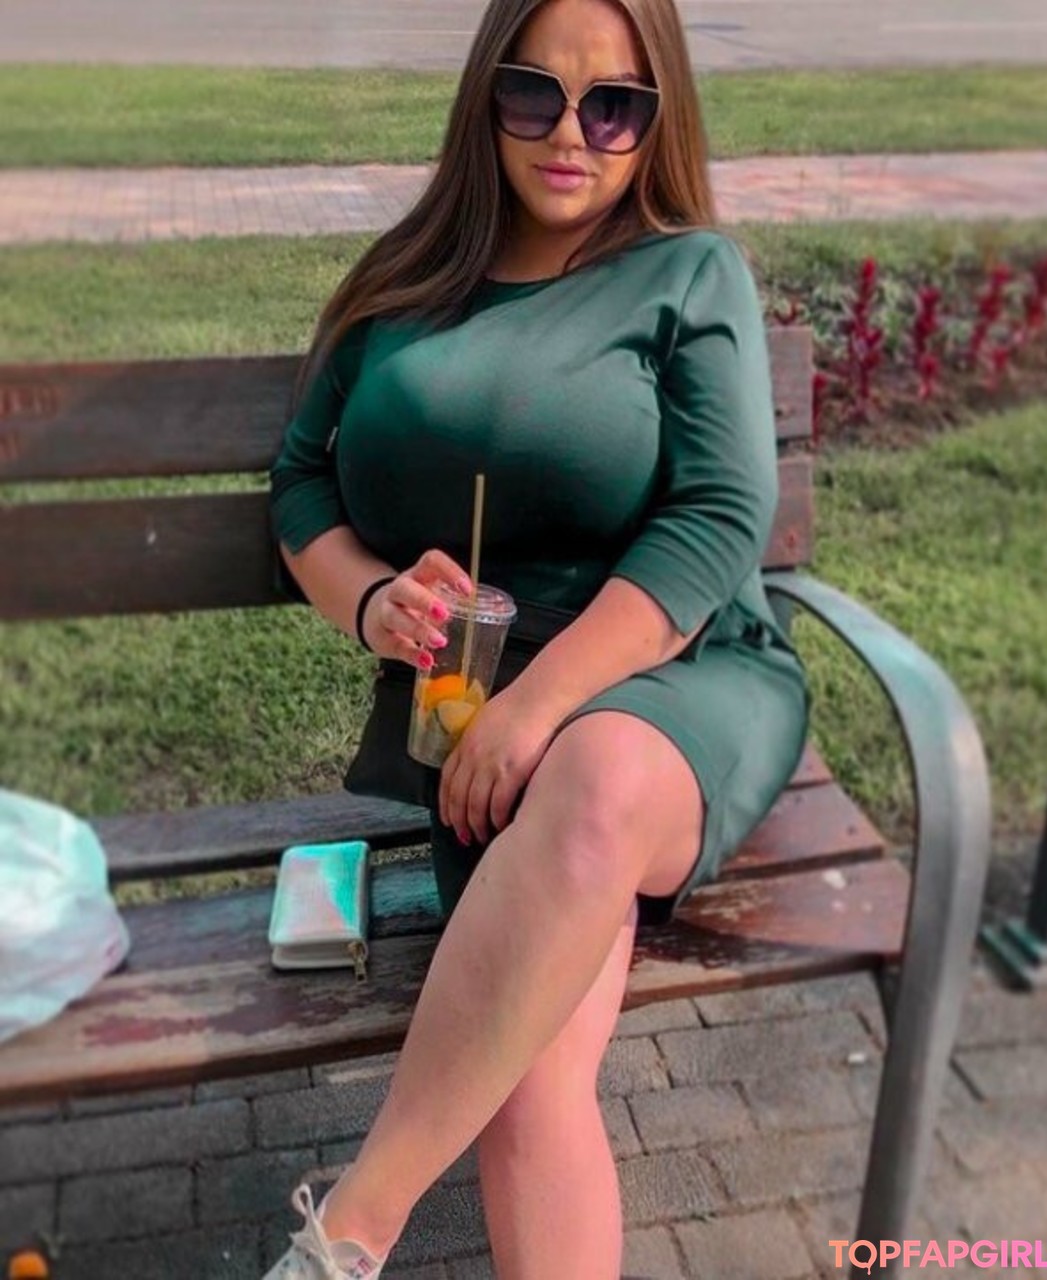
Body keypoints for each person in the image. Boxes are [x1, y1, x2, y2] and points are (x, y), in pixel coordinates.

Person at [264, 0, 810, 1274]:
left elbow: (720, 514)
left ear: (656, 121)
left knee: (597, 772)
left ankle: (349, 1230)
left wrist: (541, 705)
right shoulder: (402, 280)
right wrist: (370, 599)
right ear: (486, 96)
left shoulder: (688, 271)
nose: (572, 134)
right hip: (474, 718)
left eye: (613, 105)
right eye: (535, 94)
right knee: (525, 1073)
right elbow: (301, 480)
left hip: (670, 670)